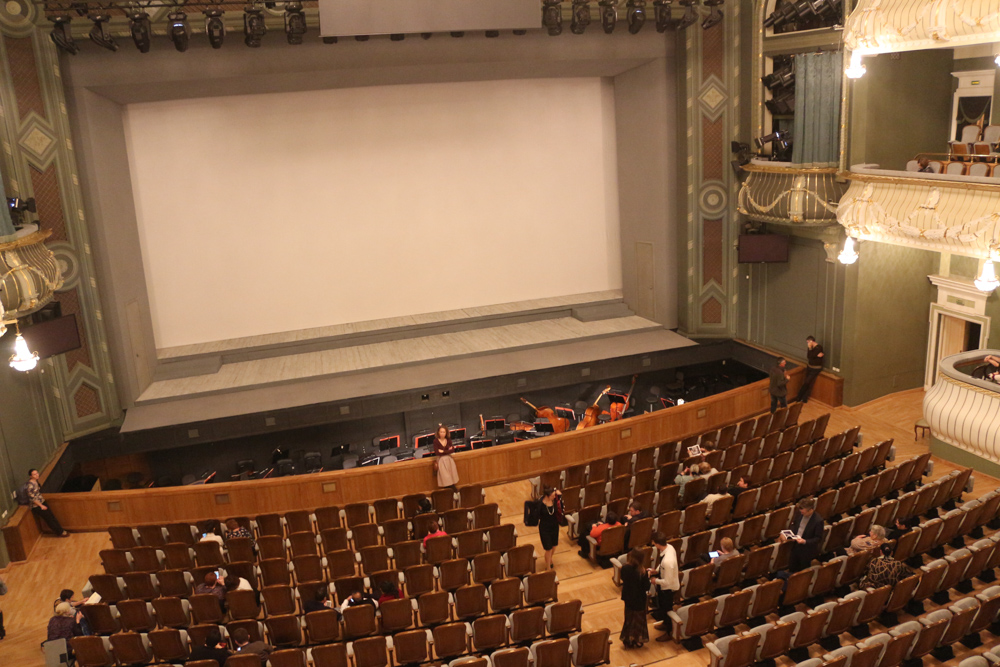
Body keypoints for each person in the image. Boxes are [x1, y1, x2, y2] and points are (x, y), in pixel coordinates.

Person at [650, 532, 680, 642]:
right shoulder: (669, 547)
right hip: (665, 586)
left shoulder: (668, 561)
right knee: (663, 608)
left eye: (654, 543)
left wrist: (655, 581)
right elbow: (661, 564)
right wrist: (656, 571)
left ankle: (669, 631)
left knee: (667, 609)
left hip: (668, 589)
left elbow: (667, 582)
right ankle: (664, 623)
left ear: (658, 544)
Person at [781, 497, 824, 572]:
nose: (801, 514)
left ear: (810, 510)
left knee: (802, 571)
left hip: (806, 550)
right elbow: (794, 524)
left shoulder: (818, 521)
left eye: (803, 512)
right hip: (795, 545)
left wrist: (804, 541)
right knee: (792, 567)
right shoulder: (799, 513)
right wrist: (789, 534)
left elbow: (818, 538)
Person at [619, 548, 650, 649]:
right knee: (639, 620)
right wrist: (648, 577)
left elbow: (623, 578)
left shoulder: (625, 568)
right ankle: (637, 639)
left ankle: (628, 639)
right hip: (640, 599)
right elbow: (647, 587)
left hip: (628, 598)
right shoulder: (643, 572)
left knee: (629, 618)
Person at [26, 469, 68, 537]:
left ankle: (61, 530)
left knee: (51, 516)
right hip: (37, 506)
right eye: (34, 474)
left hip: (42, 501)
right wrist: (41, 506)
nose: (37, 475)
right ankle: (59, 532)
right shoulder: (30, 486)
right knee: (49, 519)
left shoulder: (36, 482)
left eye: (37, 473)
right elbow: (32, 498)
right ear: (30, 476)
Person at [537, 486, 565, 570]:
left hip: (554, 526)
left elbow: (560, 507)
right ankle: (548, 567)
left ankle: (549, 559)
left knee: (554, 546)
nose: (554, 496)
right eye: (552, 495)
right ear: (547, 496)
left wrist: (558, 495)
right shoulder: (540, 504)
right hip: (544, 528)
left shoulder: (555, 500)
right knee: (548, 549)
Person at [795, 336, 825, 403]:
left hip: (815, 369)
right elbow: (809, 356)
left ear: (812, 341)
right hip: (809, 367)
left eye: (808, 342)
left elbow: (811, 355)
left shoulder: (818, 348)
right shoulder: (810, 348)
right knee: (807, 382)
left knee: (807, 382)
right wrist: (812, 352)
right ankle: (804, 398)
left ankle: (799, 396)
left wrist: (811, 351)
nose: (807, 343)